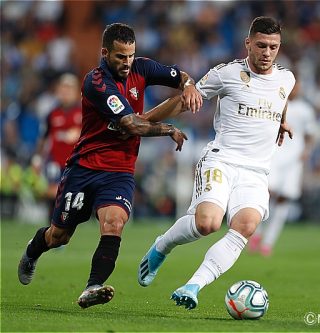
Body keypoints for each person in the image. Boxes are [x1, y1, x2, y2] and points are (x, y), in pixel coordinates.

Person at [17, 23, 203, 309]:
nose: (127, 63)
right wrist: (168, 128)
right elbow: (130, 123)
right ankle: (33, 250)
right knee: (59, 235)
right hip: (85, 168)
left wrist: (188, 86)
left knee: (114, 223)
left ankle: (93, 286)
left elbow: (181, 76)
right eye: (120, 57)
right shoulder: (96, 82)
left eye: (130, 55)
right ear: (105, 53)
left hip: (118, 171)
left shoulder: (143, 67)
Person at [137, 16, 295, 310]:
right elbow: (185, 100)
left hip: (257, 171)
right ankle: (162, 246)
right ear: (248, 43)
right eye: (261, 45)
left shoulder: (287, 78)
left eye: (273, 47)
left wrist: (282, 121)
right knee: (207, 223)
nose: (267, 53)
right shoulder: (227, 74)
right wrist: (143, 121)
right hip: (222, 160)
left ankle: (193, 286)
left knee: (245, 226)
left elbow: (281, 99)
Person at [248, 78, 316, 256]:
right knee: (267, 193)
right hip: (275, 154)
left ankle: (268, 242)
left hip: (294, 160)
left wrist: (307, 151)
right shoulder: (275, 103)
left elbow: (310, 135)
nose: (295, 90)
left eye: (298, 87)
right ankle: (257, 232)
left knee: (284, 198)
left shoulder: (305, 109)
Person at [31, 73, 83, 222]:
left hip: (76, 162)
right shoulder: (52, 114)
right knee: (54, 192)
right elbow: (43, 138)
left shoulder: (83, 113)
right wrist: (37, 158)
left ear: (75, 92)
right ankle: (52, 227)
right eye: (63, 89)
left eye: (69, 89)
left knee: (70, 196)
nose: (65, 93)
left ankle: (63, 225)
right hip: (55, 161)